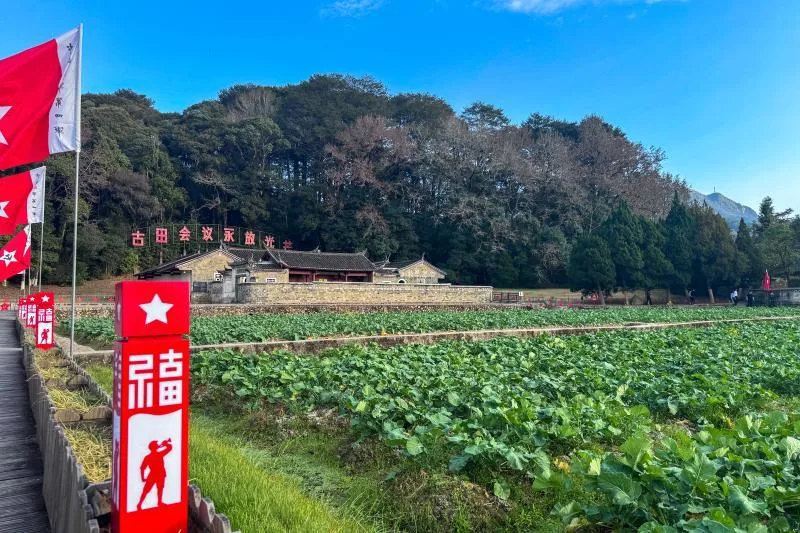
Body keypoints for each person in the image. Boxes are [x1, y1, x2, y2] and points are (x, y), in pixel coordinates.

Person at [137, 439, 173, 511]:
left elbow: (142, 468)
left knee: (157, 489)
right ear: (154, 447)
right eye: (156, 445)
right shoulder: (159, 454)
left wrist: (143, 478)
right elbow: (169, 448)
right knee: (153, 489)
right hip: (158, 474)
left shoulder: (148, 457)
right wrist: (165, 444)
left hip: (155, 474)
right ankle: (140, 504)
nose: (158, 445)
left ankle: (142, 504)